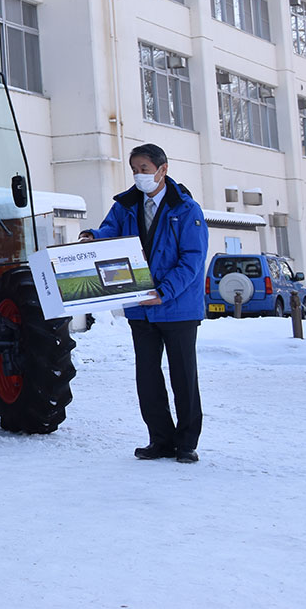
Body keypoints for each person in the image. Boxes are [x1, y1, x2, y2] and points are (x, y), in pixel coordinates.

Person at [80, 143, 208, 464]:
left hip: (177, 307)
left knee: (183, 376)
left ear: (163, 170)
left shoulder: (186, 209)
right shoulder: (126, 206)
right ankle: (160, 439)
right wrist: (94, 237)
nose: (139, 176)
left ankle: (186, 442)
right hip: (140, 305)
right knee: (147, 376)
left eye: (145, 170)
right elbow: (110, 232)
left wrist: (164, 292)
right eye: (134, 170)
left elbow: (192, 260)